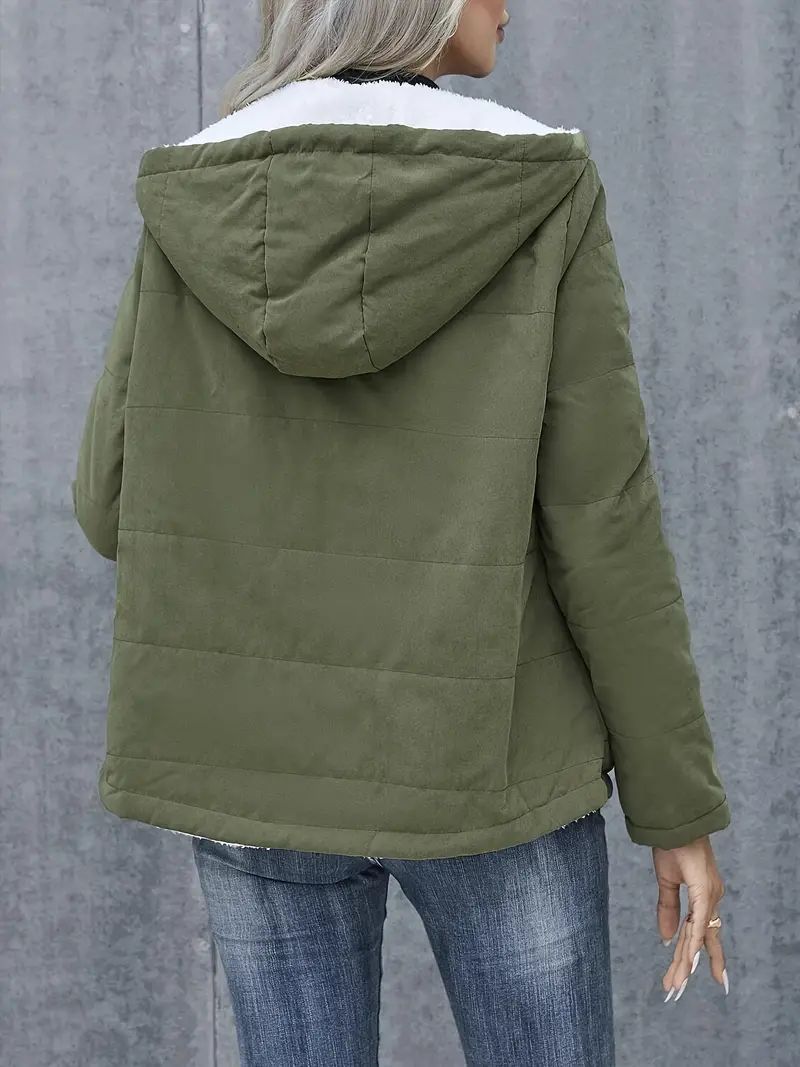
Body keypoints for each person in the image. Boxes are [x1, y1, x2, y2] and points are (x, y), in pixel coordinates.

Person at [70, 1, 732, 1063]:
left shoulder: (196, 187)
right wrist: (675, 806)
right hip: (486, 758)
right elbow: (601, 523)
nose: (507, 6)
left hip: (252, 762)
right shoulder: (541, 184)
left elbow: (109, 504)